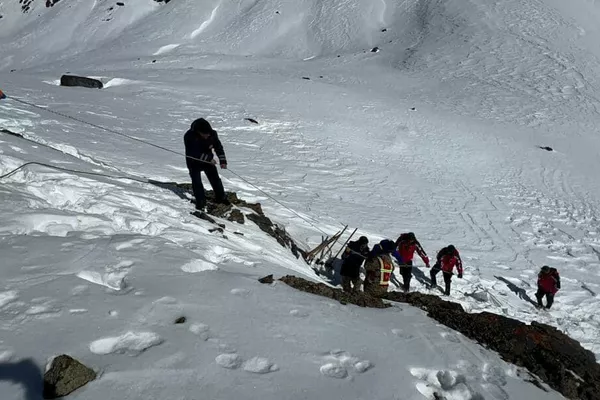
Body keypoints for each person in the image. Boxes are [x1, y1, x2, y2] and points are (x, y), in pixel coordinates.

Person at [184, 118, 229, 210]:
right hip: (193, 161)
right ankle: (200, 202)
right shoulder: (189, 136)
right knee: (196, 181)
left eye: (208, 133)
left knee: (215, 179)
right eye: (205, 134)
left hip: (208, 161)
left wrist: (223, 161)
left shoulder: (212, 134)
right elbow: (193, 152)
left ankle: (221, 198)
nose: (207, 136)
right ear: (198, 132)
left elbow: (218, 147)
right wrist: (209, 159)